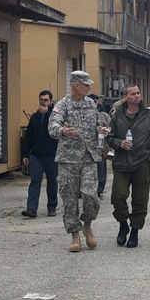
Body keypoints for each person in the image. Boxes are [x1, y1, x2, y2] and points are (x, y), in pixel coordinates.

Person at [48, 70, 102, 253]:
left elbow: (95, 126)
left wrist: (100, 130)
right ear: (76, 85)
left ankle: (87, 224)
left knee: (90, 195)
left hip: (88, 158)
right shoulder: (62, 105)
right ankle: (75, 235)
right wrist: (62, 131)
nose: (89, 88)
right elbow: (53, 125)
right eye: (86, 85)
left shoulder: (91, 104)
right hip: (68, 160)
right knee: (70, 200)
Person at [107, 84, 150, 248]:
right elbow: (109, 137)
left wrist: (149, 159)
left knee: (140, 200)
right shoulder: (117, 116)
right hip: (121, 164)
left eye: (138, 93)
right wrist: (118, 143)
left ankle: (135, 231)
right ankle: (123, 224)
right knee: (118, 196)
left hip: (141, 164)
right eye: (133, 94)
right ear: (125, 97)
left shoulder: (149, 115)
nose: (137, 96)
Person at [21, 90, 59, 218]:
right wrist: (25, 154)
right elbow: (28, 137)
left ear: (51, 101)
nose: (43, 102)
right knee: (35, 180)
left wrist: (47, 114)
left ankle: (52, 207)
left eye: (46, 100)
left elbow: (58, 131)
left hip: (51, 155)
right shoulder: (35, 117)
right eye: (41, 100)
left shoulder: (55, 115)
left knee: (52, 182)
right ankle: (31, 208)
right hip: (36, 155)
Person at [89, 94, 111, 197]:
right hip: (87, 148)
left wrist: (106, 147)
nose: (94, 103)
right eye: (92, 101)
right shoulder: (83, 114)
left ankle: (99, 190)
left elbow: (110, 130)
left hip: (101, 146)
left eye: (95, 101)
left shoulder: (104, 115)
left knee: (101, 169)